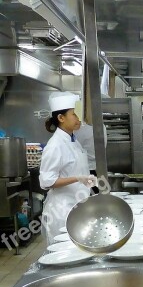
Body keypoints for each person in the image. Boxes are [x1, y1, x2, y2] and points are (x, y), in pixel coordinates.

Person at [39, 92, 95, 245]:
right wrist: (77, 178)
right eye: (74, 114)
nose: (78, 119)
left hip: (77, 206)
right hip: (62, 212)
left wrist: (87, 182)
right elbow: (47, 181)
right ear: (61, 118)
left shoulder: (72, 140)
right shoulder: (55, 145)